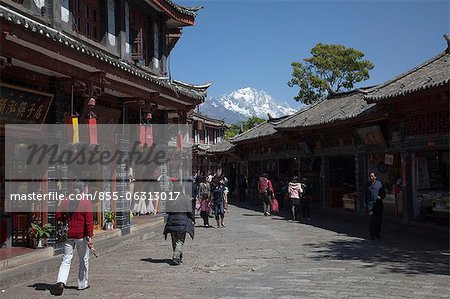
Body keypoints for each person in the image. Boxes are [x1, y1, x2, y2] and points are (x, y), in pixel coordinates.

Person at [54, 181, 94, 295]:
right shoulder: (86, 202)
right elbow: (89, 223)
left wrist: (66, 220)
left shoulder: (66, 201)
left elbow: (58, 216)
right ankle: (82, 284)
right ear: (83, 189)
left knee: (66, 259)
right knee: (83, 259)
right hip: (81, 236)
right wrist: (90, 238)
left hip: (68, 235)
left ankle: (61, 281)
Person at [163, 180, 195, 265]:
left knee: (174, 240)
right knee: (180, 240)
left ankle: (178, 254)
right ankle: (176, 257)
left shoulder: (170, 198)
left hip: (172, 222)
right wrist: (193, 218)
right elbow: (190, 211)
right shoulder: (185, 198)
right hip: (182, 222)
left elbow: (166, 210)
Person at [365, 171, 386, 240]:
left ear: (375, 177)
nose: (371, 177)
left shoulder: (380, 184)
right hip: (370, 205)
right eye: (370, 176)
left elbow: (384, 194)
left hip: (378, 205)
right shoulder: (367, 185)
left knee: (378, 221)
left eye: (372, 176)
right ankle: (372, 235)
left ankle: (377, 233)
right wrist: (367, 206)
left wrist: (380, 197)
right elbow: (366, 196)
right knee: (371, 221)